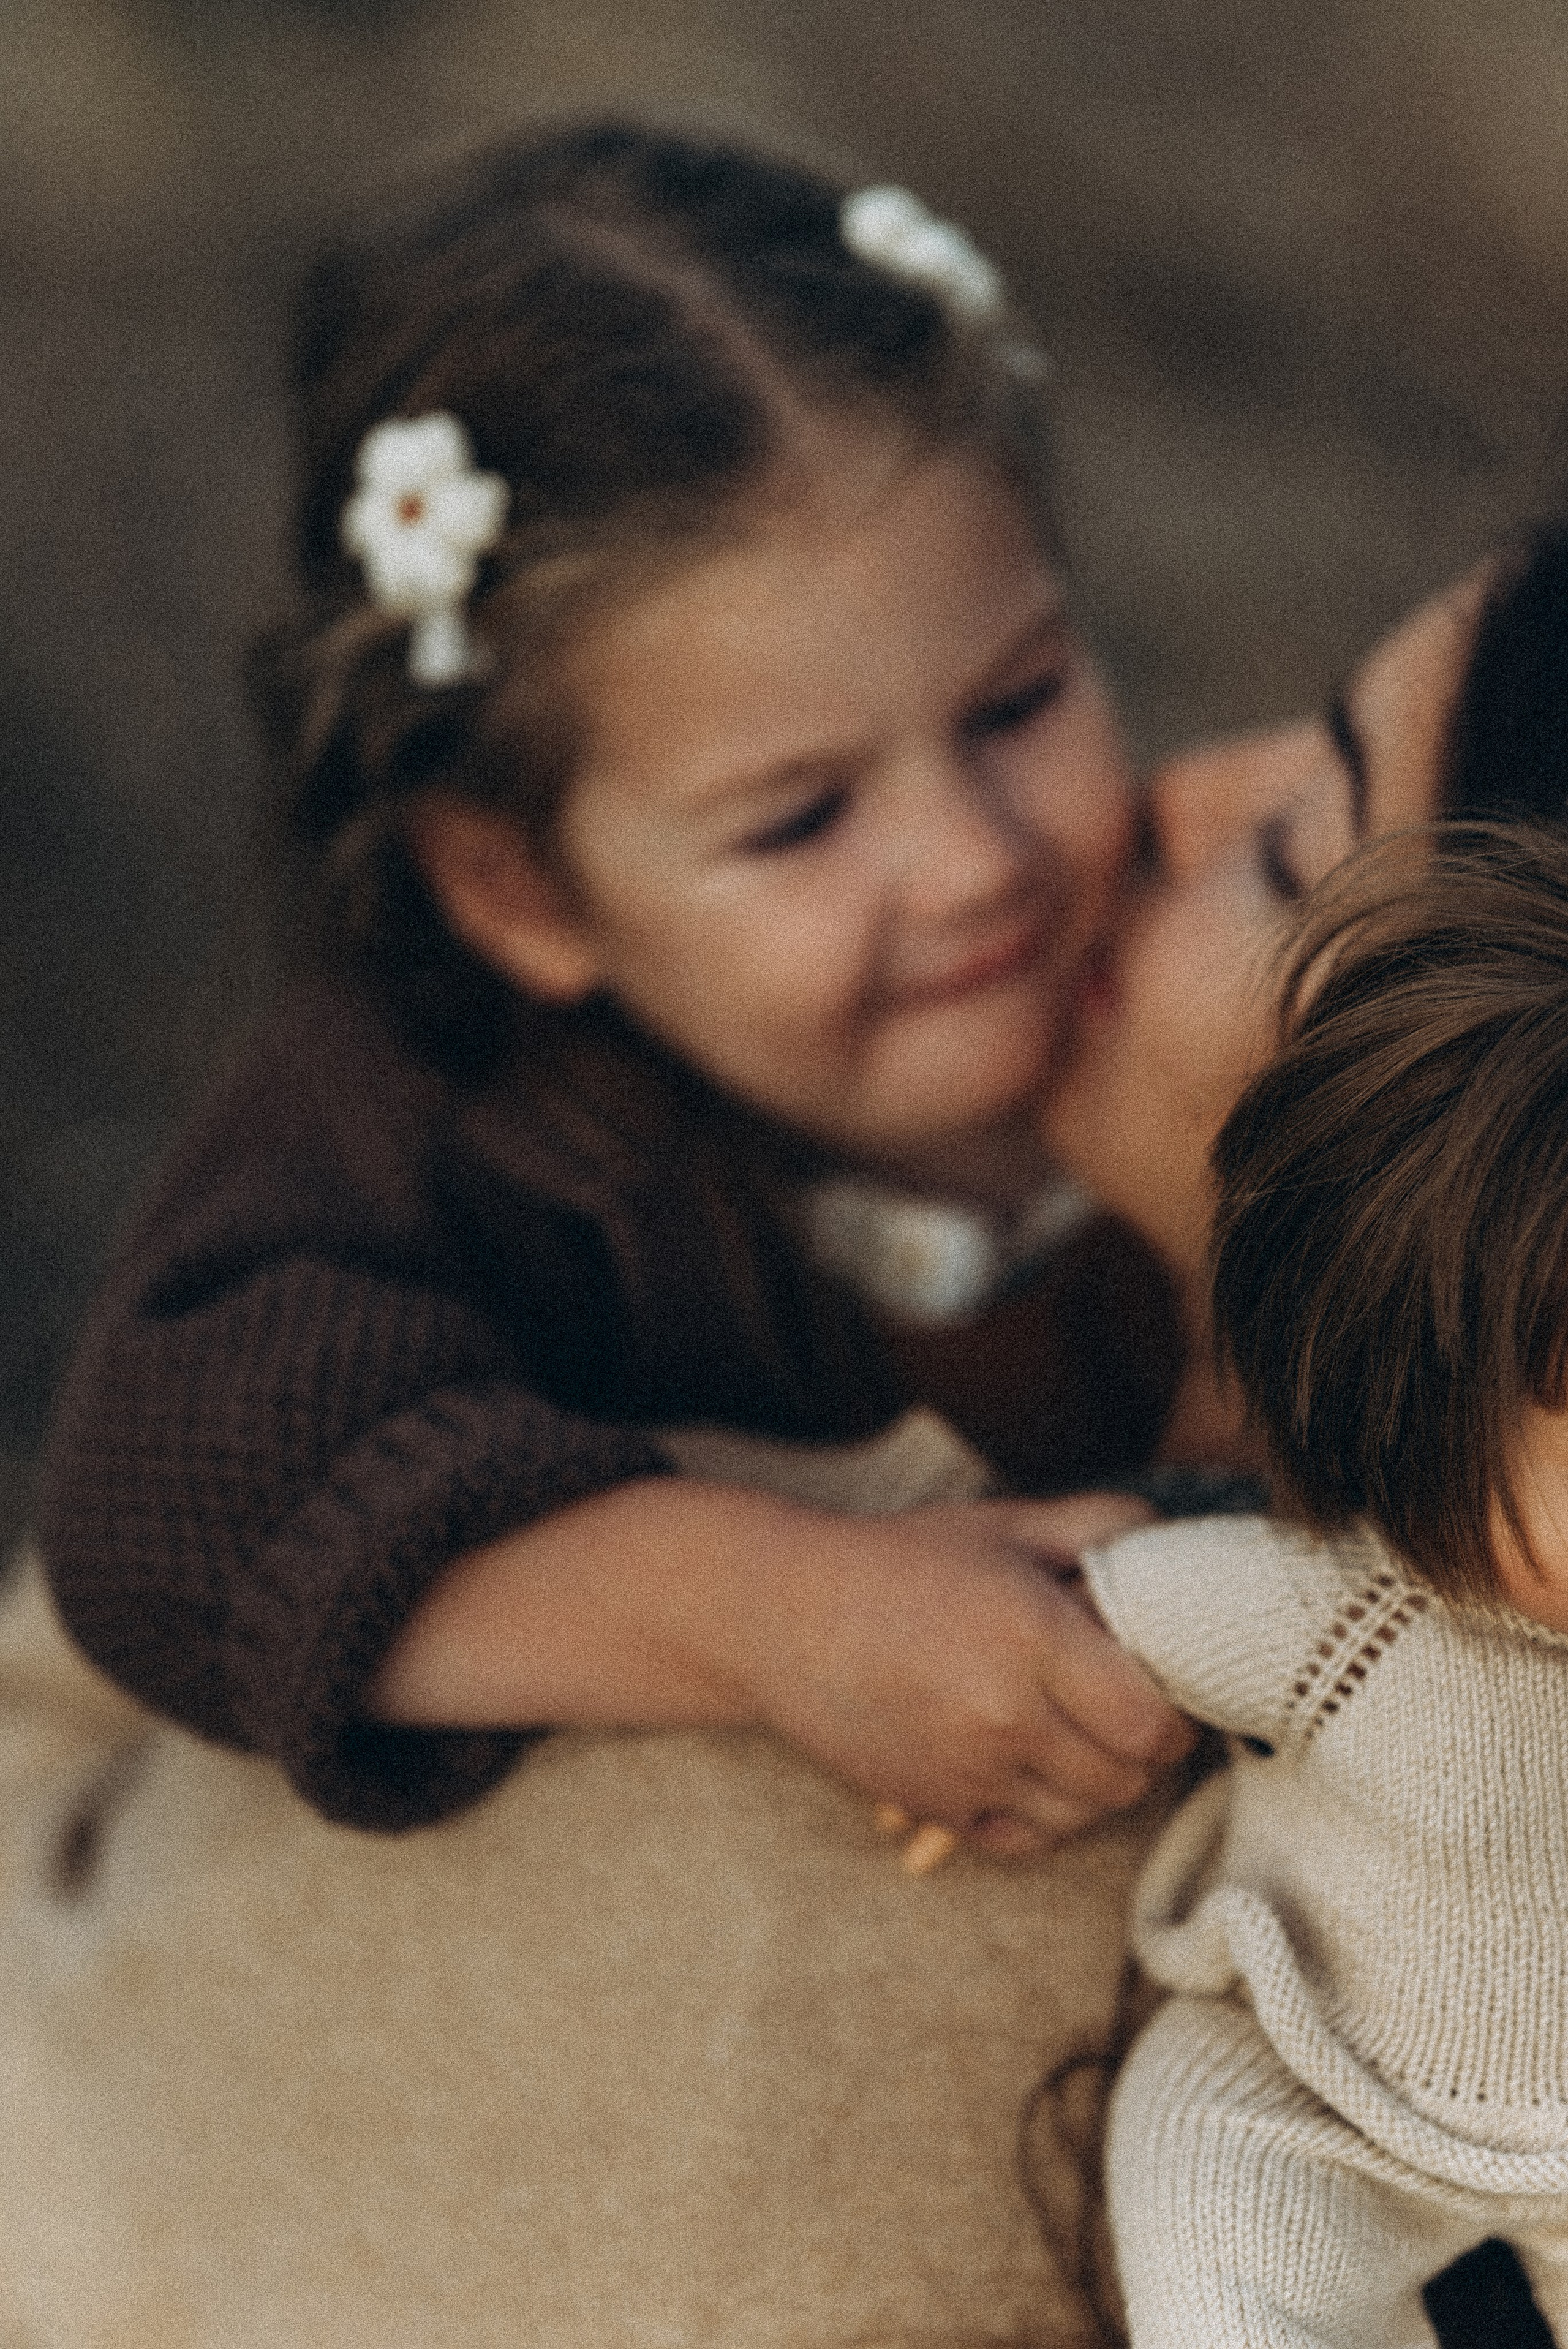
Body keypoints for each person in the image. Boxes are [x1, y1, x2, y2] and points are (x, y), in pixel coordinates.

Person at [38, 119, 1188, 1854]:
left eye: (1020, 701)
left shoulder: (1227, 943)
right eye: (801, 817)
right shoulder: (467, 1119)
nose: (974, 862)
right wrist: (766, 1606)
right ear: (520, 887)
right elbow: (160, 1497)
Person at [1074, 821, 1568, 2345]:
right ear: (1423, 1406)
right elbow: (1114, 1612)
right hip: (1310, 2074)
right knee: (1210, 2215)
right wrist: (1014, 1647)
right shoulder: (1349, 1620)